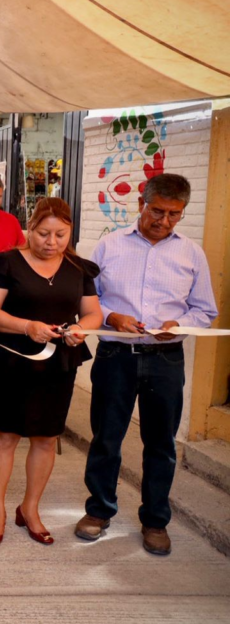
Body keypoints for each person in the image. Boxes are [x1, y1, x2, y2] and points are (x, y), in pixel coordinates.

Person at [78, 174, 217, 555]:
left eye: (175, 214)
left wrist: (181, 325)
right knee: (106, 438)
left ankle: (155, 520)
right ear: (142, 201)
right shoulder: (109, 246)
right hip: (116, 357)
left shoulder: (191, 254)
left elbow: (206, 309)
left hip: (165, 360)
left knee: (161, 444)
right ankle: (99, 511)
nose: (165, 221)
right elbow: (88, 299)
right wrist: (112, 317)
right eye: (158, 211)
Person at [0, 198, 103, 547]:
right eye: (44, 234)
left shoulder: (79, 269)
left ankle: (30, 508)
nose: (52, 242)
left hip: (57, 364)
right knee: (4, 437)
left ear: (70, 233)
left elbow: (93, 313)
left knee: (46, 438)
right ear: (29, 229)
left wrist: (84, 329)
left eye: (61, 235)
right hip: (12, 360)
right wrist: (26, 327)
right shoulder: (5, 263)